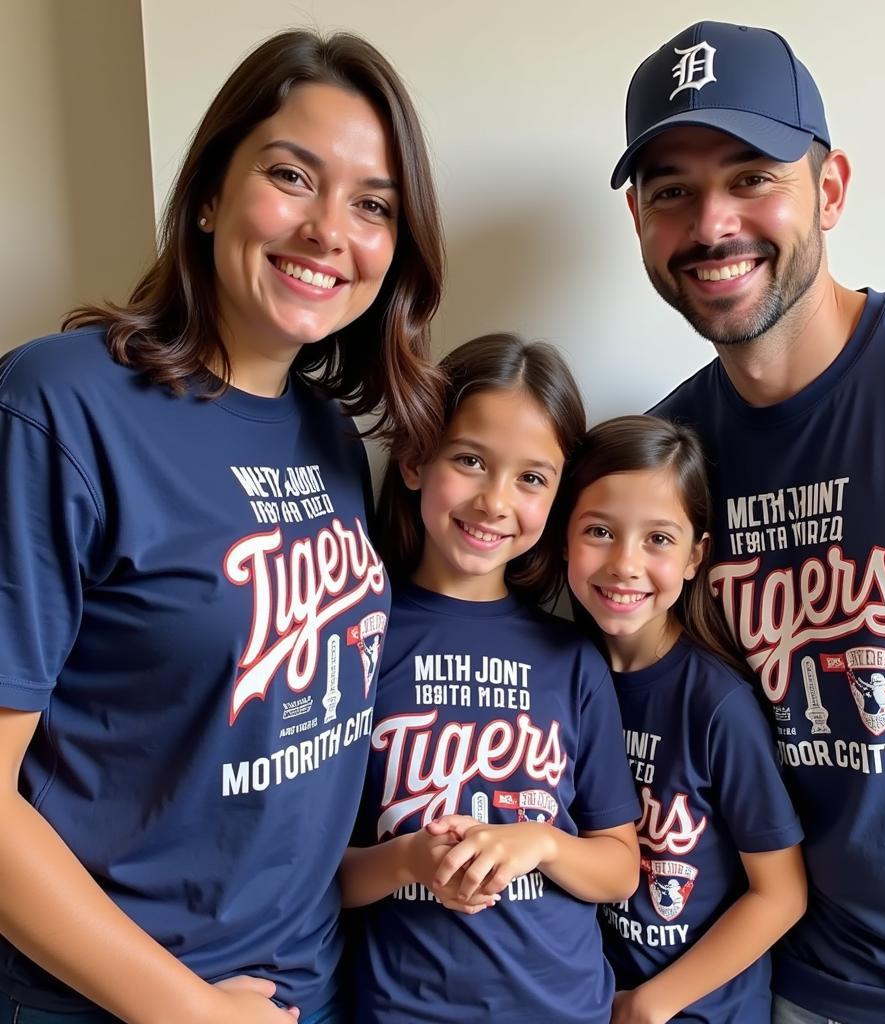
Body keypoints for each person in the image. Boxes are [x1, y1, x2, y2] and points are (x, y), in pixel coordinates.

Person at [0, 29, 445, 1024]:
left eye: (373, 204)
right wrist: (186, 1011)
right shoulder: (59, 406)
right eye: (292, 176)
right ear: (208, 194)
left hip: (311, 987)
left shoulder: (332, 435)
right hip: (115, 1001)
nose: (331, 230)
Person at [610, 19, 885, 1024]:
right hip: (767, 982)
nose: (711, 224)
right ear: (638, 221)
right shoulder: (668, 458)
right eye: (671, 190)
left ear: (828, 188)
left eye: (751, 175)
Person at [339, 334, 641, 1023]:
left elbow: (620, 868)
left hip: (560, 1006)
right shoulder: (358, 632)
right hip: (403, 1008)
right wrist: (410, 861)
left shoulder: (571, 657)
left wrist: (540, 842)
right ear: (416, 460)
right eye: (471, 461)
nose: (495, 501)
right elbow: (322, 876)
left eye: (532, 478)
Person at [564, 415, 805, 1023]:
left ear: (697, 556)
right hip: (587, 999)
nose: (625, 563)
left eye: (658, 539)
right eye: (599, 530)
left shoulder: (716, 705)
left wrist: (652, 1004)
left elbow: (780, 893)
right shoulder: (557, 676)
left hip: (698, 1010)